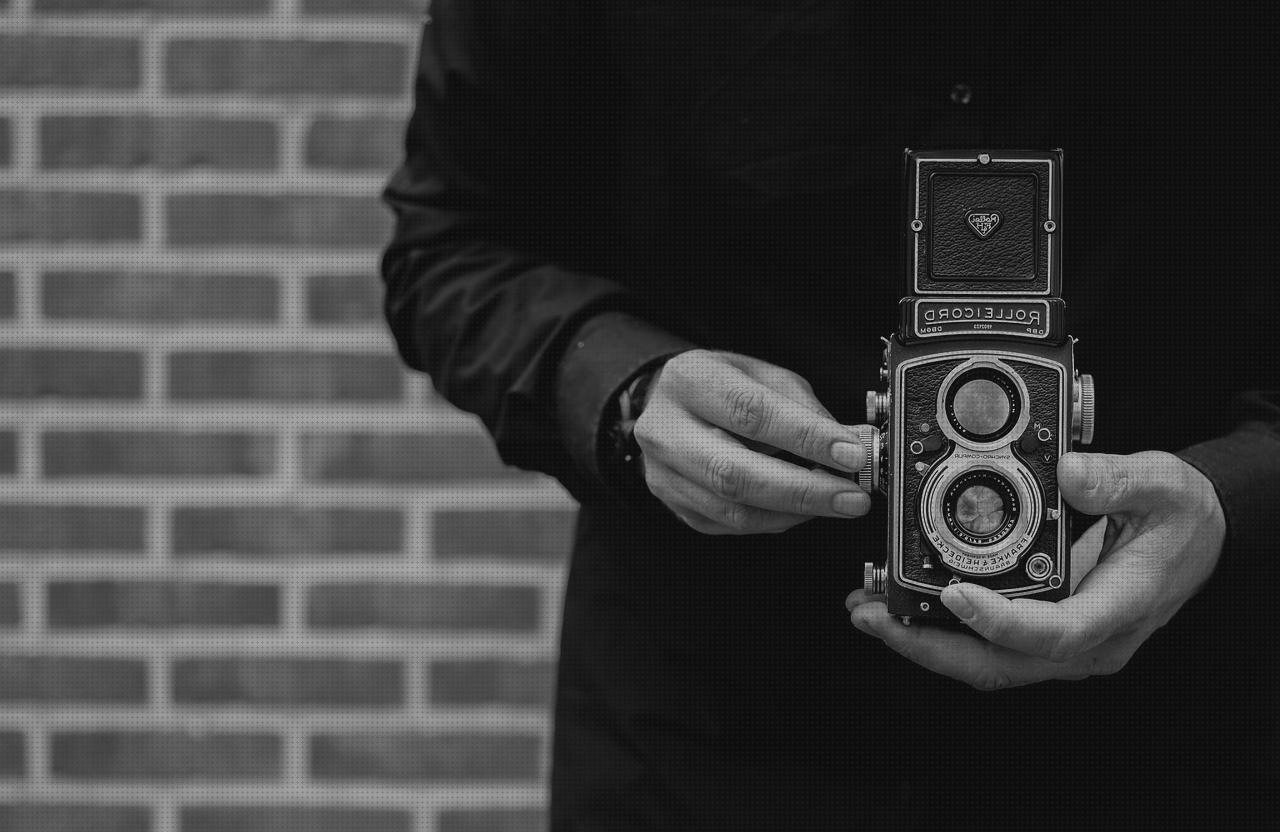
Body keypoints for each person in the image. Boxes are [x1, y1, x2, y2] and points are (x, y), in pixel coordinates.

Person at [382, 3, 1276, 828]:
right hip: (709, 736)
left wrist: (1235, 497)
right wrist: (624, 388)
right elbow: (454, 239)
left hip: (1186, 727)